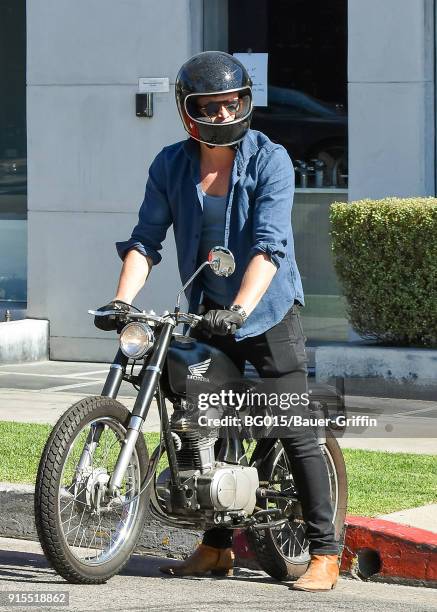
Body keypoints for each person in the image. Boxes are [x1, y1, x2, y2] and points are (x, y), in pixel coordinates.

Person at [95, 51, 339, 592]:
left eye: (235, 104)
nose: (227, 114)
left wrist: (241, 310)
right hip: (209, 317)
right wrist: (121, 302)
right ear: (190, 113)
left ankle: (325, 552)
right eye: (214, 106)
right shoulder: (169, 165)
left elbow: (270, 247)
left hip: (267, 313)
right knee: (203, 421)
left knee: (297, 430)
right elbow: (145, 241)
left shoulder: (269, 160)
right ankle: (216, 547)